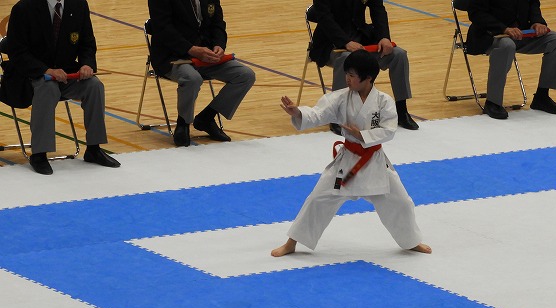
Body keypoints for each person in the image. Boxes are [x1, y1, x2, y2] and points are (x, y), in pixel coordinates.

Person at [271, 50, 431, 258]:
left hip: (374, 164)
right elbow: (319, 113)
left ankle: (411, 241)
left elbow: (390, 130)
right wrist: (299, 113)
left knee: (402, 202)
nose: (347, 78)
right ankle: (291, 243)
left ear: (368, 78)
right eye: (347, 73)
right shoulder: (341, 98)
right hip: (346, 167)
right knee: (318, 198)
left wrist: (362, 135)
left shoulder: (383, 101)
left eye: (352, 75)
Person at [5, 0, 120, 175]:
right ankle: (39, 154)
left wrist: (87, 64)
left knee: (94, 86)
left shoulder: (79, 5)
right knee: (48, 88)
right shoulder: (23, 8)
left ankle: (94, 148)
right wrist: (46, 70)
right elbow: (17, 52)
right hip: (29, 74)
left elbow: (87, 43)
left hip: (65, 73)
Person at [148, 0, 255, 146]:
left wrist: (219, 45)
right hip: (172, 56)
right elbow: (162, 29)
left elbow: (218, 23)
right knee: (192, 78)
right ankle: (183, 123)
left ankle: (206, 118)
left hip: (205, 55)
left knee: (245, 75)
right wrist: (191, 49)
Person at [308, 0, 419, 134]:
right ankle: (337, 116)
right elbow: (324, 18)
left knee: (399, 55)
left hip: (362, 38)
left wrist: (384, 37)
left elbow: (378, 10)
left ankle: (401, 110)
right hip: (331, 43)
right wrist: (345, 42)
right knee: (346, 59)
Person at [467, 0, 556, 120]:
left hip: (521, 34)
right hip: (490, 35)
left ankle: (542, 96)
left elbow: (533, 3)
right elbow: (476, 13)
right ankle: (492, 102)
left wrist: (537, 22)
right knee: (507, 45)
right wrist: (504, 28)